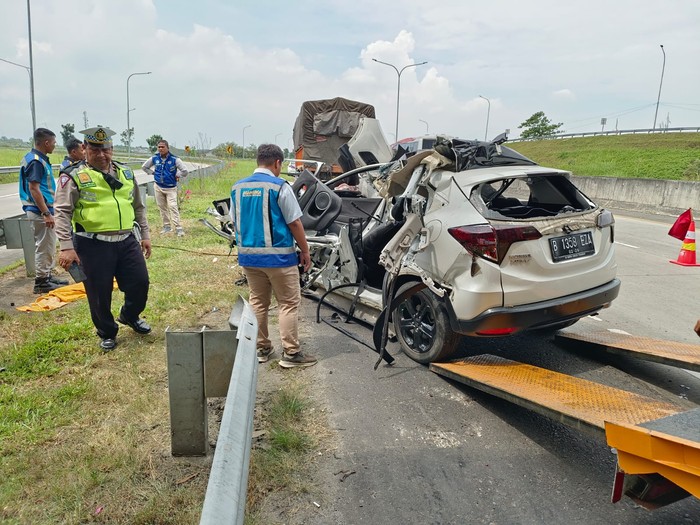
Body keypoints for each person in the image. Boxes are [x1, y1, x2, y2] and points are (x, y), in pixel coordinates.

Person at [54, 126, 152, 352]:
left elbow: (138, 207)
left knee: (140, 282)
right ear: (84, 148)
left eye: (105, 149)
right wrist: (66, 247)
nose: (101, 154)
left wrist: (145, 235)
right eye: (95, 149)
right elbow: (61, 212)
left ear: (112, 149)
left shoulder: (126, 173)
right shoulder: (73, 176)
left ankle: (129, 315)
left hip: (126, 240)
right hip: (91, 244)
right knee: (99, 293)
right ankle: (107, 331)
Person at [230, 144, 316, 368]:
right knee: (288, 303)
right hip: (279, 259)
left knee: (258, 302)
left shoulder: (237, 188)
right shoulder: (279, 187)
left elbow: (234, 220)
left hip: (249, 259)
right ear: (277, 163)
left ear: (258, 161)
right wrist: (305, 251)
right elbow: (294, 222)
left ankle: (261, 348)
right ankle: (291, 353)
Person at [19, 127, 69, 294]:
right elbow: (34, 189)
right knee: (44, 245)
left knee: (48, 244)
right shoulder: (36, 161)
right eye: (54, 143)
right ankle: (41, 282)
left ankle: (46, 276)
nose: (55, 146)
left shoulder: (35, 158)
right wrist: (46, 213)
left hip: (42, 209)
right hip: (40, 210)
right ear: (46, 143)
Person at [141, 140, 188, 236]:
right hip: (158, 186)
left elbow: (185, 171)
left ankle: (178, 227)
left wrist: (177, 174)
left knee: (173, 206)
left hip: (171, 188)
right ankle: (166, 226)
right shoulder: (155, 158)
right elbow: (144, 167)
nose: (160, 149)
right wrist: (152, 173)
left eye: (163, 147)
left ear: (167, 148)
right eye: (159, 147)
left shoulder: (175, 159)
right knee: (162, 207)